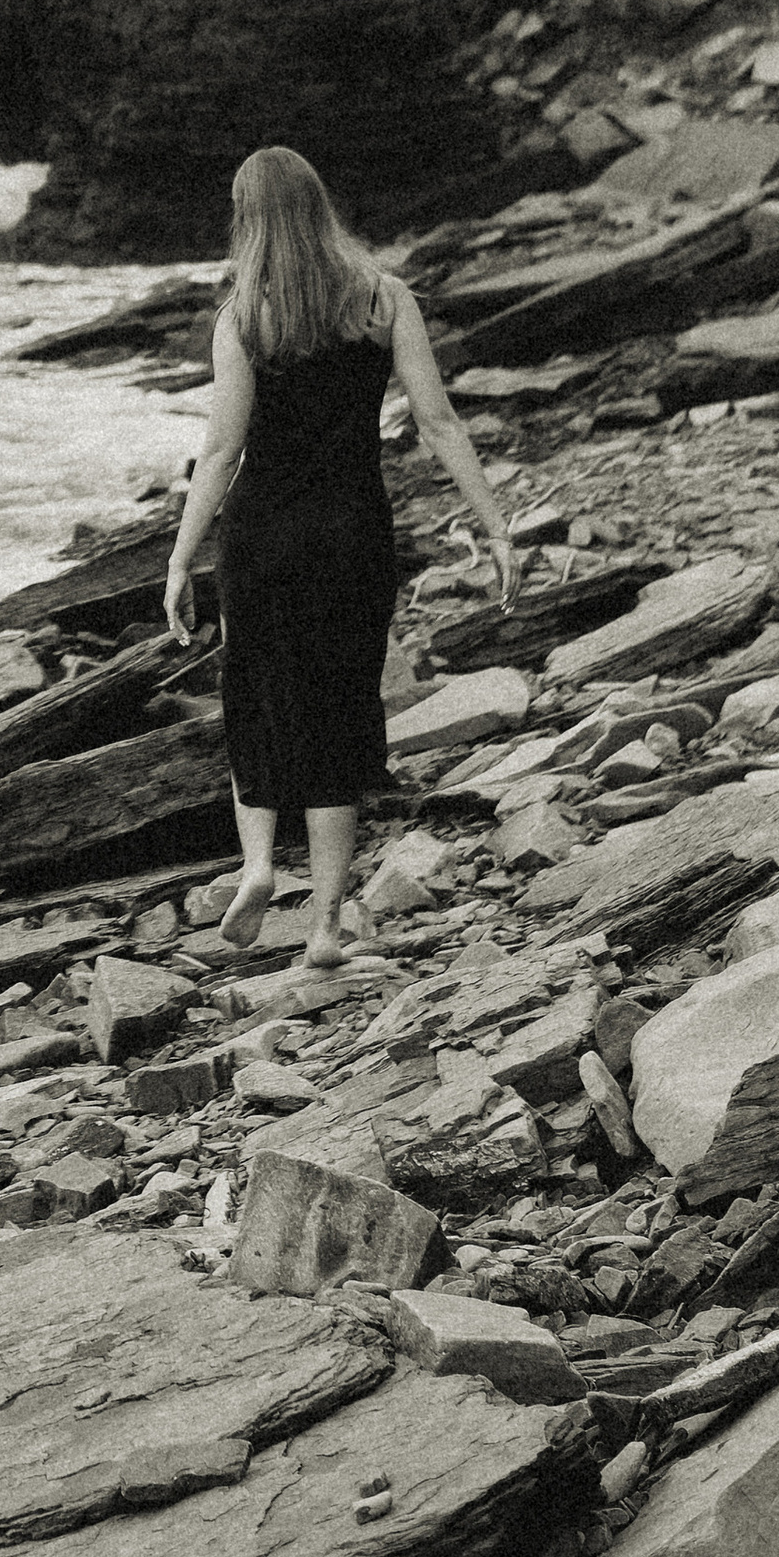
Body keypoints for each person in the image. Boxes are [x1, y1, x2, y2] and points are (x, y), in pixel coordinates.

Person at [163, 145, 517, 968]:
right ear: (321, 207)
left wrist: (182, 558)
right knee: (336, 710)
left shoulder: (242, 318)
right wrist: (496, 528)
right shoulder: (383, 299)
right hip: (350, 532)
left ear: (248, 220)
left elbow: (220, 450)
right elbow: (438, 424)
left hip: (260, 537)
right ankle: (324, 925)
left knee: (253, 695)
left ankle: (256, 866)